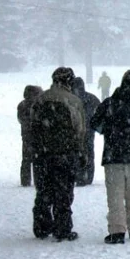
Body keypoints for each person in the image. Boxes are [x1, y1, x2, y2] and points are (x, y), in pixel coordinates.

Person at [91, 70, 130, 244]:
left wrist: (109, 131)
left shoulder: (109, 103)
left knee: (115, 195)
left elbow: (94, 123)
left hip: (113, 157)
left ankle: (117, 231)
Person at [29, 67, 86, 241]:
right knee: (64, 192)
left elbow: (32, 125)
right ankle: (62, 228)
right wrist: (80, 152)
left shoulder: (40, 99)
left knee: (43, 191)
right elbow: (79, 130)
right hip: (65, 154)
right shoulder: (73, 101)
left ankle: (42, 226)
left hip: (42, 154)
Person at [72, 77, 100, 186]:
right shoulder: (92, 98)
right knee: (89, 152)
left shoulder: (71, 99)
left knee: (77, 153)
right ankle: (89, 176)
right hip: (89, 130)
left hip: (75, 131)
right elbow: (100, 112)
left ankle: (78, 175)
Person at [16, 85, 43, 187]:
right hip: (38, 135)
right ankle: (38, 179)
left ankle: (25, 180)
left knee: (26, 158)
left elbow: (20, 119)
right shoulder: (39, 104)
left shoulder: (22, 105)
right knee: (38, 158)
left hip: (26, 135)